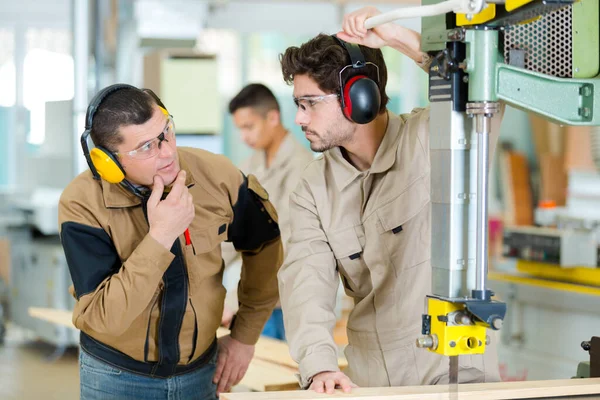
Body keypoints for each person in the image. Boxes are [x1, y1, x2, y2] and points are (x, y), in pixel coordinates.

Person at [277, 6, 502, 394]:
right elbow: (305, 285)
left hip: (455, 375)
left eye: (309, 103)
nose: (298, 118)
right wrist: (318, 368)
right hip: (370, 381)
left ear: (358, 96)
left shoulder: (433, 138)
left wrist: (398, 38)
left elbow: (481, 87)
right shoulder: (312, 189)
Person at [58, 84, 282, 399]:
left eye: (166, 132)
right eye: (146, 147)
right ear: (108, 162)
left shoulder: (216, 175)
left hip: (203, 374)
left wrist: (245, 336)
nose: (167, 153)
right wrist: (161, 236)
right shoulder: (82, 204)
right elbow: (104, 319)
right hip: (116, 377)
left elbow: (266, 245)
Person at [221, 83, 314, 340]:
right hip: (257, 296)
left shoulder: (302, 169)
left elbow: (282, 245)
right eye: (239, 129)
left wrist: (233, 301)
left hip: (287, 302)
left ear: (272, 117)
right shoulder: (250, 166)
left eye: (248, 127)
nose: (243, 137)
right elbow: (232, 228)